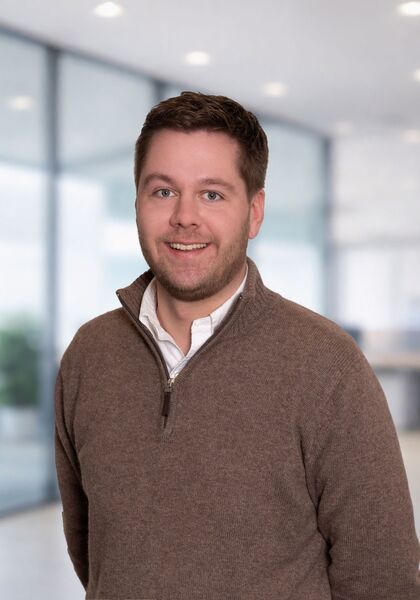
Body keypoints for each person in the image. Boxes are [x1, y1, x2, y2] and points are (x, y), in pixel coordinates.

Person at [55, 91, 420, 599]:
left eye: (212, 194)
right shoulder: (89, 355)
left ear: (254, 212)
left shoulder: (326, 366)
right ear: (137, 203)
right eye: (163, 191)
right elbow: (94, 553)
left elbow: (383, 577)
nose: (185, 217)